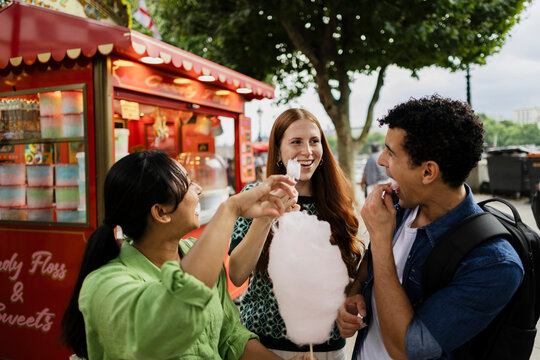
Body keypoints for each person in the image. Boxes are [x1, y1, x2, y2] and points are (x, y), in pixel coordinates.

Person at [60, 150, 313, 360]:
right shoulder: (104, 285)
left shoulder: (194, 253)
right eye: (188, 183)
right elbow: (176, 314)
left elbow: (230, 337)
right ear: (161, 212)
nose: (199, 189)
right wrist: (230, 209)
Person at [336, 95, 524, 359]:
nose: (381, 160)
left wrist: (379, 238)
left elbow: (407, 348)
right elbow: (371, 264)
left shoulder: (494, 263)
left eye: (391, 152)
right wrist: (355, 294)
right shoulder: (399, 207)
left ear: (428, 172)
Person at [228, 108, 363, 360]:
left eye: (314, 141)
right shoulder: (255, 195)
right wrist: (267, 216)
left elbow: (348, 278)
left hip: (327, 348)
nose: (307, 151)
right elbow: (236, 274)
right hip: (264, 348)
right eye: (296, 142)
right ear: (279, 152)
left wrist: (350, 304)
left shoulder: (338, 203)